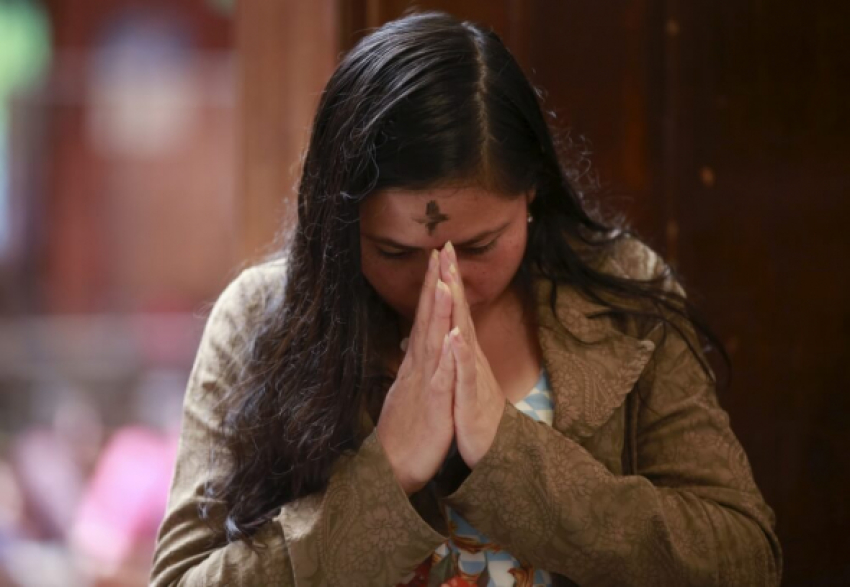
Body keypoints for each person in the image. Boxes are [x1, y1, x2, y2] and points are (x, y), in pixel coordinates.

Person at [149, 10, 781, 587]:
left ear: (531, 192)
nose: (440, 284)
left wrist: (507, 453)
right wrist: (385, 474)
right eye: (395, 252)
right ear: (339, 226)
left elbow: (744, 557)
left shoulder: (622, 292)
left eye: (479, 246)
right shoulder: (260, 318)